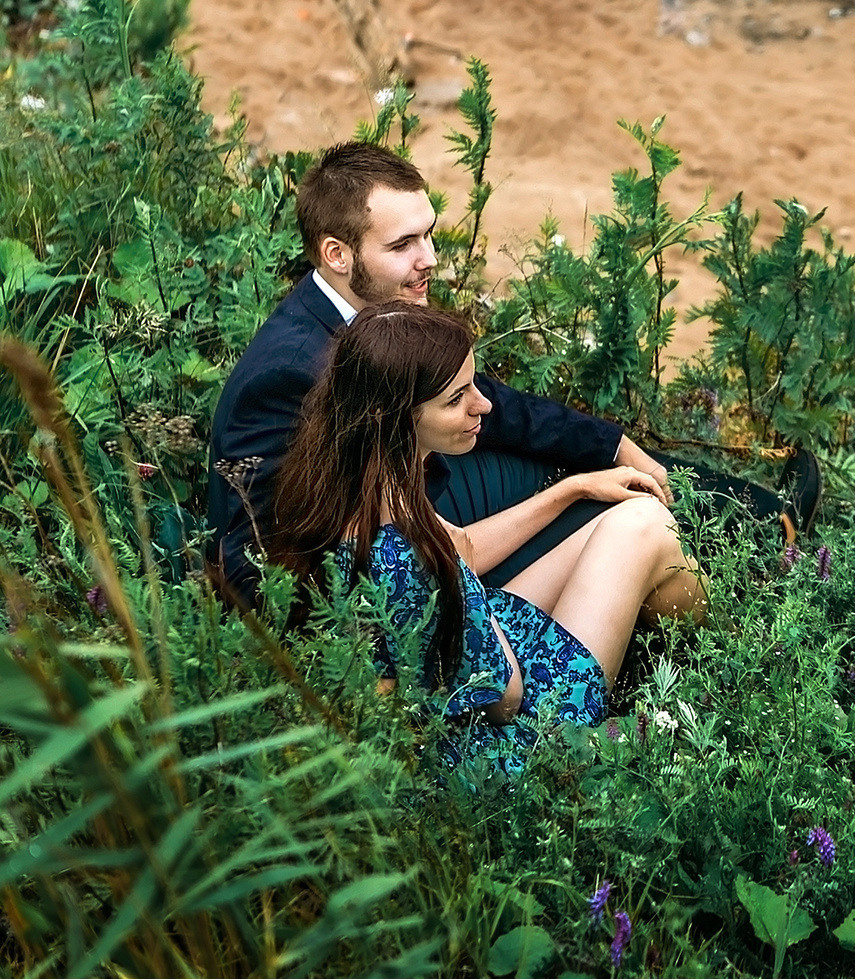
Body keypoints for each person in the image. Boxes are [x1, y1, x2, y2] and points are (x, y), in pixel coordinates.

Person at [207, 140, 815, 606]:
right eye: (403, 245)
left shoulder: (378, 305)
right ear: (337, 254)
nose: (430, 260)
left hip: (434, 486)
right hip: (412, 560)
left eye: (429, 235)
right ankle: (740, 591)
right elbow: (253, 558)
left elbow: (493, 404)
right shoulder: (288, 373)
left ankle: (767, 520)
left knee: (588, 462)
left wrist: (615, 444)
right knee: (598, 513)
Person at [268, 302, 702, 770]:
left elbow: (457, 554)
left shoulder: (359, 482)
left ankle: (684, 657)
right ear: (391, 416)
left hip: (465, 663)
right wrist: (465, 586)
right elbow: (506, 697)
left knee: (625, 517)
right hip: (504, 743)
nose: (484, 404)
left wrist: (573, 489)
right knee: (645, 524)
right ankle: (705, 662)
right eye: (456, 399)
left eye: (473, 384)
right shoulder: (396, 551)